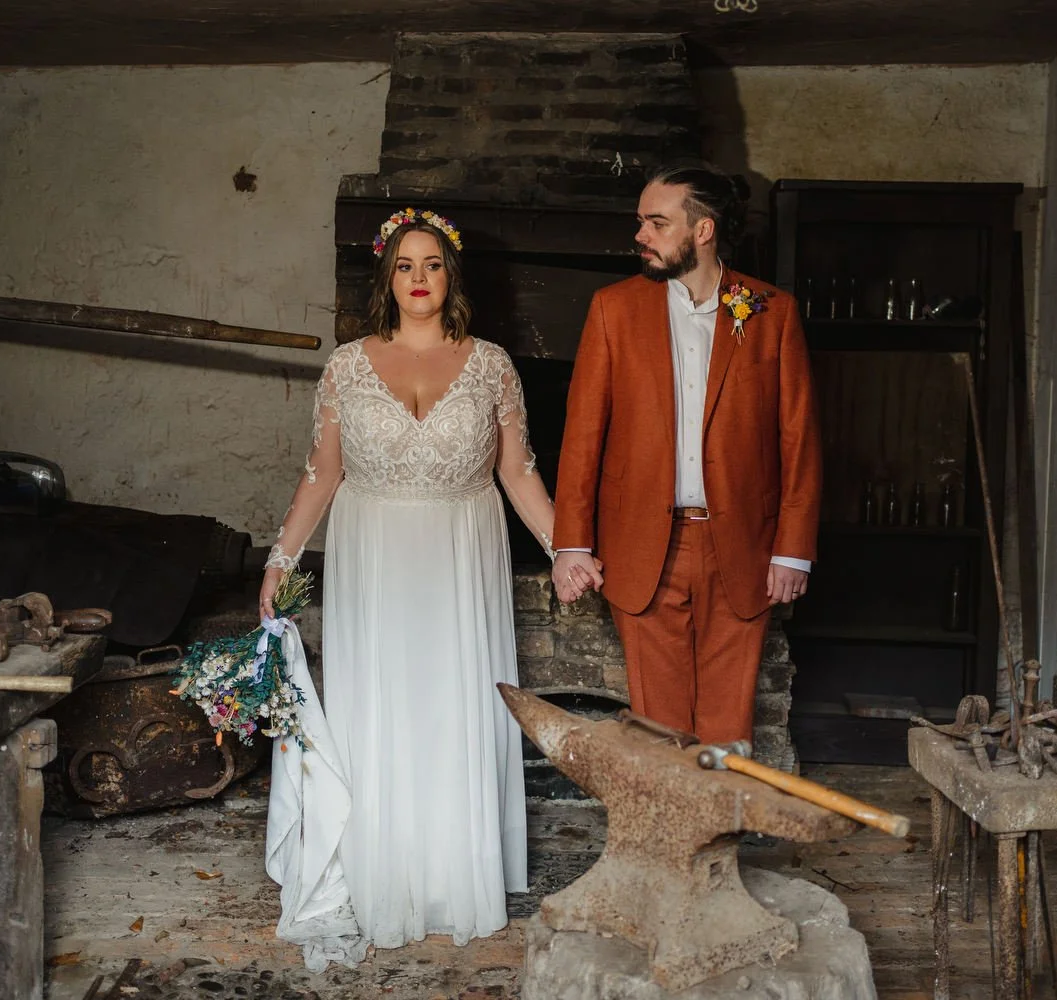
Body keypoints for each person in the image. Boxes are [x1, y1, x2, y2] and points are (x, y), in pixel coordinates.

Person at [260, 208, 559, 966]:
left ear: (450, 275)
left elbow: (516, 472)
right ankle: (380, 869)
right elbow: (321, 474)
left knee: (453, 702)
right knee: (383, 703)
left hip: (461, 549)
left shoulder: (490, 363)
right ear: (386, 277)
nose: (419, 278)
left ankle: (457, 877)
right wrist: (280, 561)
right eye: (405, 265)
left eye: (432, 264)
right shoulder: (347, 365)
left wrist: (566, 547)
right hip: (376, 554)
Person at [550, 164, 822, 748]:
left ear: (703, 230)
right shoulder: (613, 309)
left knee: (728, 735)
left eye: (656, 222)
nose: (641, 235)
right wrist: (572, 543)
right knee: (659, 732)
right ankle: (668, 842)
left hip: (744, 547)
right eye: (640, 223)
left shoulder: (771, 311)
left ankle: (718, 841)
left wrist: (793, 549)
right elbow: (582, 436)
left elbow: (798, 438)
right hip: (644, 546)